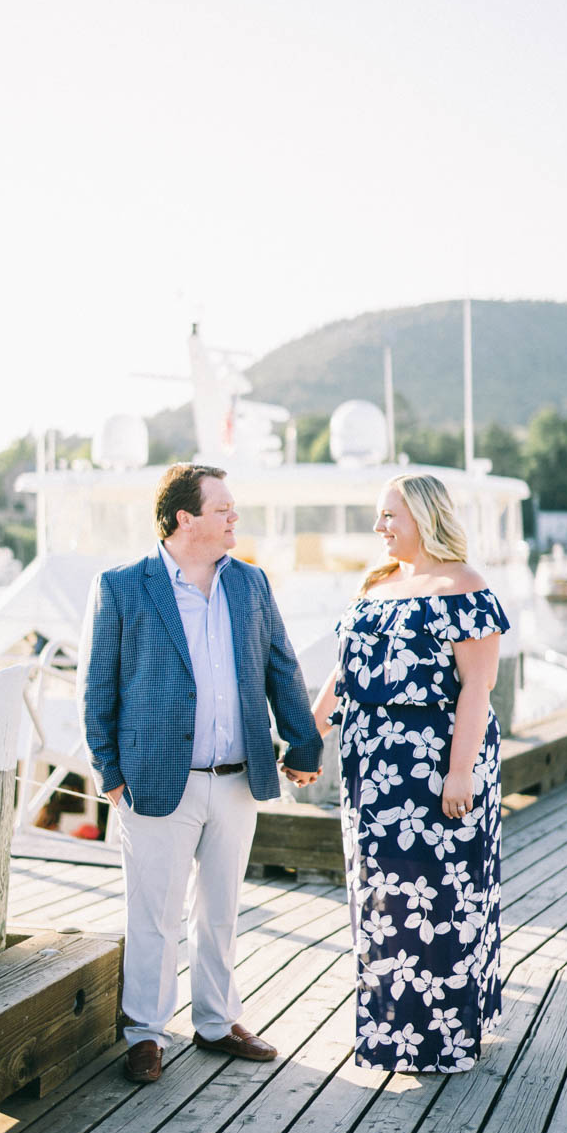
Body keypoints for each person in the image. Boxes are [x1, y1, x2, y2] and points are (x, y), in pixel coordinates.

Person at [77, 462, 323, 1084]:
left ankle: (217, 1023)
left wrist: (304, 745)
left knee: (219, 909)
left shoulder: (251, 585)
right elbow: (95, 689)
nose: (234, 518)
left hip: (238, 778)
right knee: (153, 913)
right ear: (186, 518)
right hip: (155, 778)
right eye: (223, 510)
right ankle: (146, 1034)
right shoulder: (122, 587)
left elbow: (281, 669)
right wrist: (109, 774)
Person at [312, 473, 508, 1073]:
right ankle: (390, 1030)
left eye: (389, 516)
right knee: (380, 897)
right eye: (379, 516)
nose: (380, 527)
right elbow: (343, 678)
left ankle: (444, 1034)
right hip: (371, 769)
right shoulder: (374, 586)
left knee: (440, 897)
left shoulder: (466, 587)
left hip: (437, 760)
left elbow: (479, 686)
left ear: (423, 516)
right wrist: (305, 740)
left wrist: (459, 773)